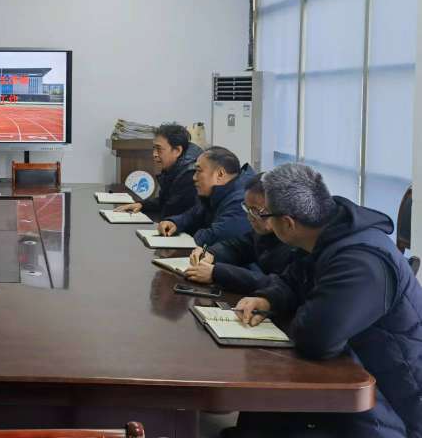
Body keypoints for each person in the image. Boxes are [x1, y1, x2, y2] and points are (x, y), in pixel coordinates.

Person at [233, 163, 422, 438]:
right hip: (353, 379)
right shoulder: (324, 237)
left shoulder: (360, 262)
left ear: (287, 223)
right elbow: (292, 280)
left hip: (391, 406)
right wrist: (269, 300)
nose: (264, 223)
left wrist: (298, 310)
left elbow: (316, 338)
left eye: (265, 215)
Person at [183, 173, 295, 294]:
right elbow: (237, 247)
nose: (249, 217)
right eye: (247, 208)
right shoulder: (263, 232)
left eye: (256, 211)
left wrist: (217, 273)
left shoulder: (297, 243)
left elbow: (279, 284)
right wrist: (211, 254)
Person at [156, 146, 253, 246]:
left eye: (199, 171)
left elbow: (215, 237)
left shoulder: (243, 199)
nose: (194, 177)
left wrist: (192, 236)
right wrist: (174, 223)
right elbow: (194, 214)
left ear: (220, 174)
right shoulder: (216, 192)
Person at [114, 123, 202, 219]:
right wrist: (142, 205)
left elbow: (171, 211)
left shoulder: (190, 174)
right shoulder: (173, 167)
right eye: (154, 148)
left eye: (159, 149)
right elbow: (164, 201)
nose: (154, 154)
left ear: (177, 151)